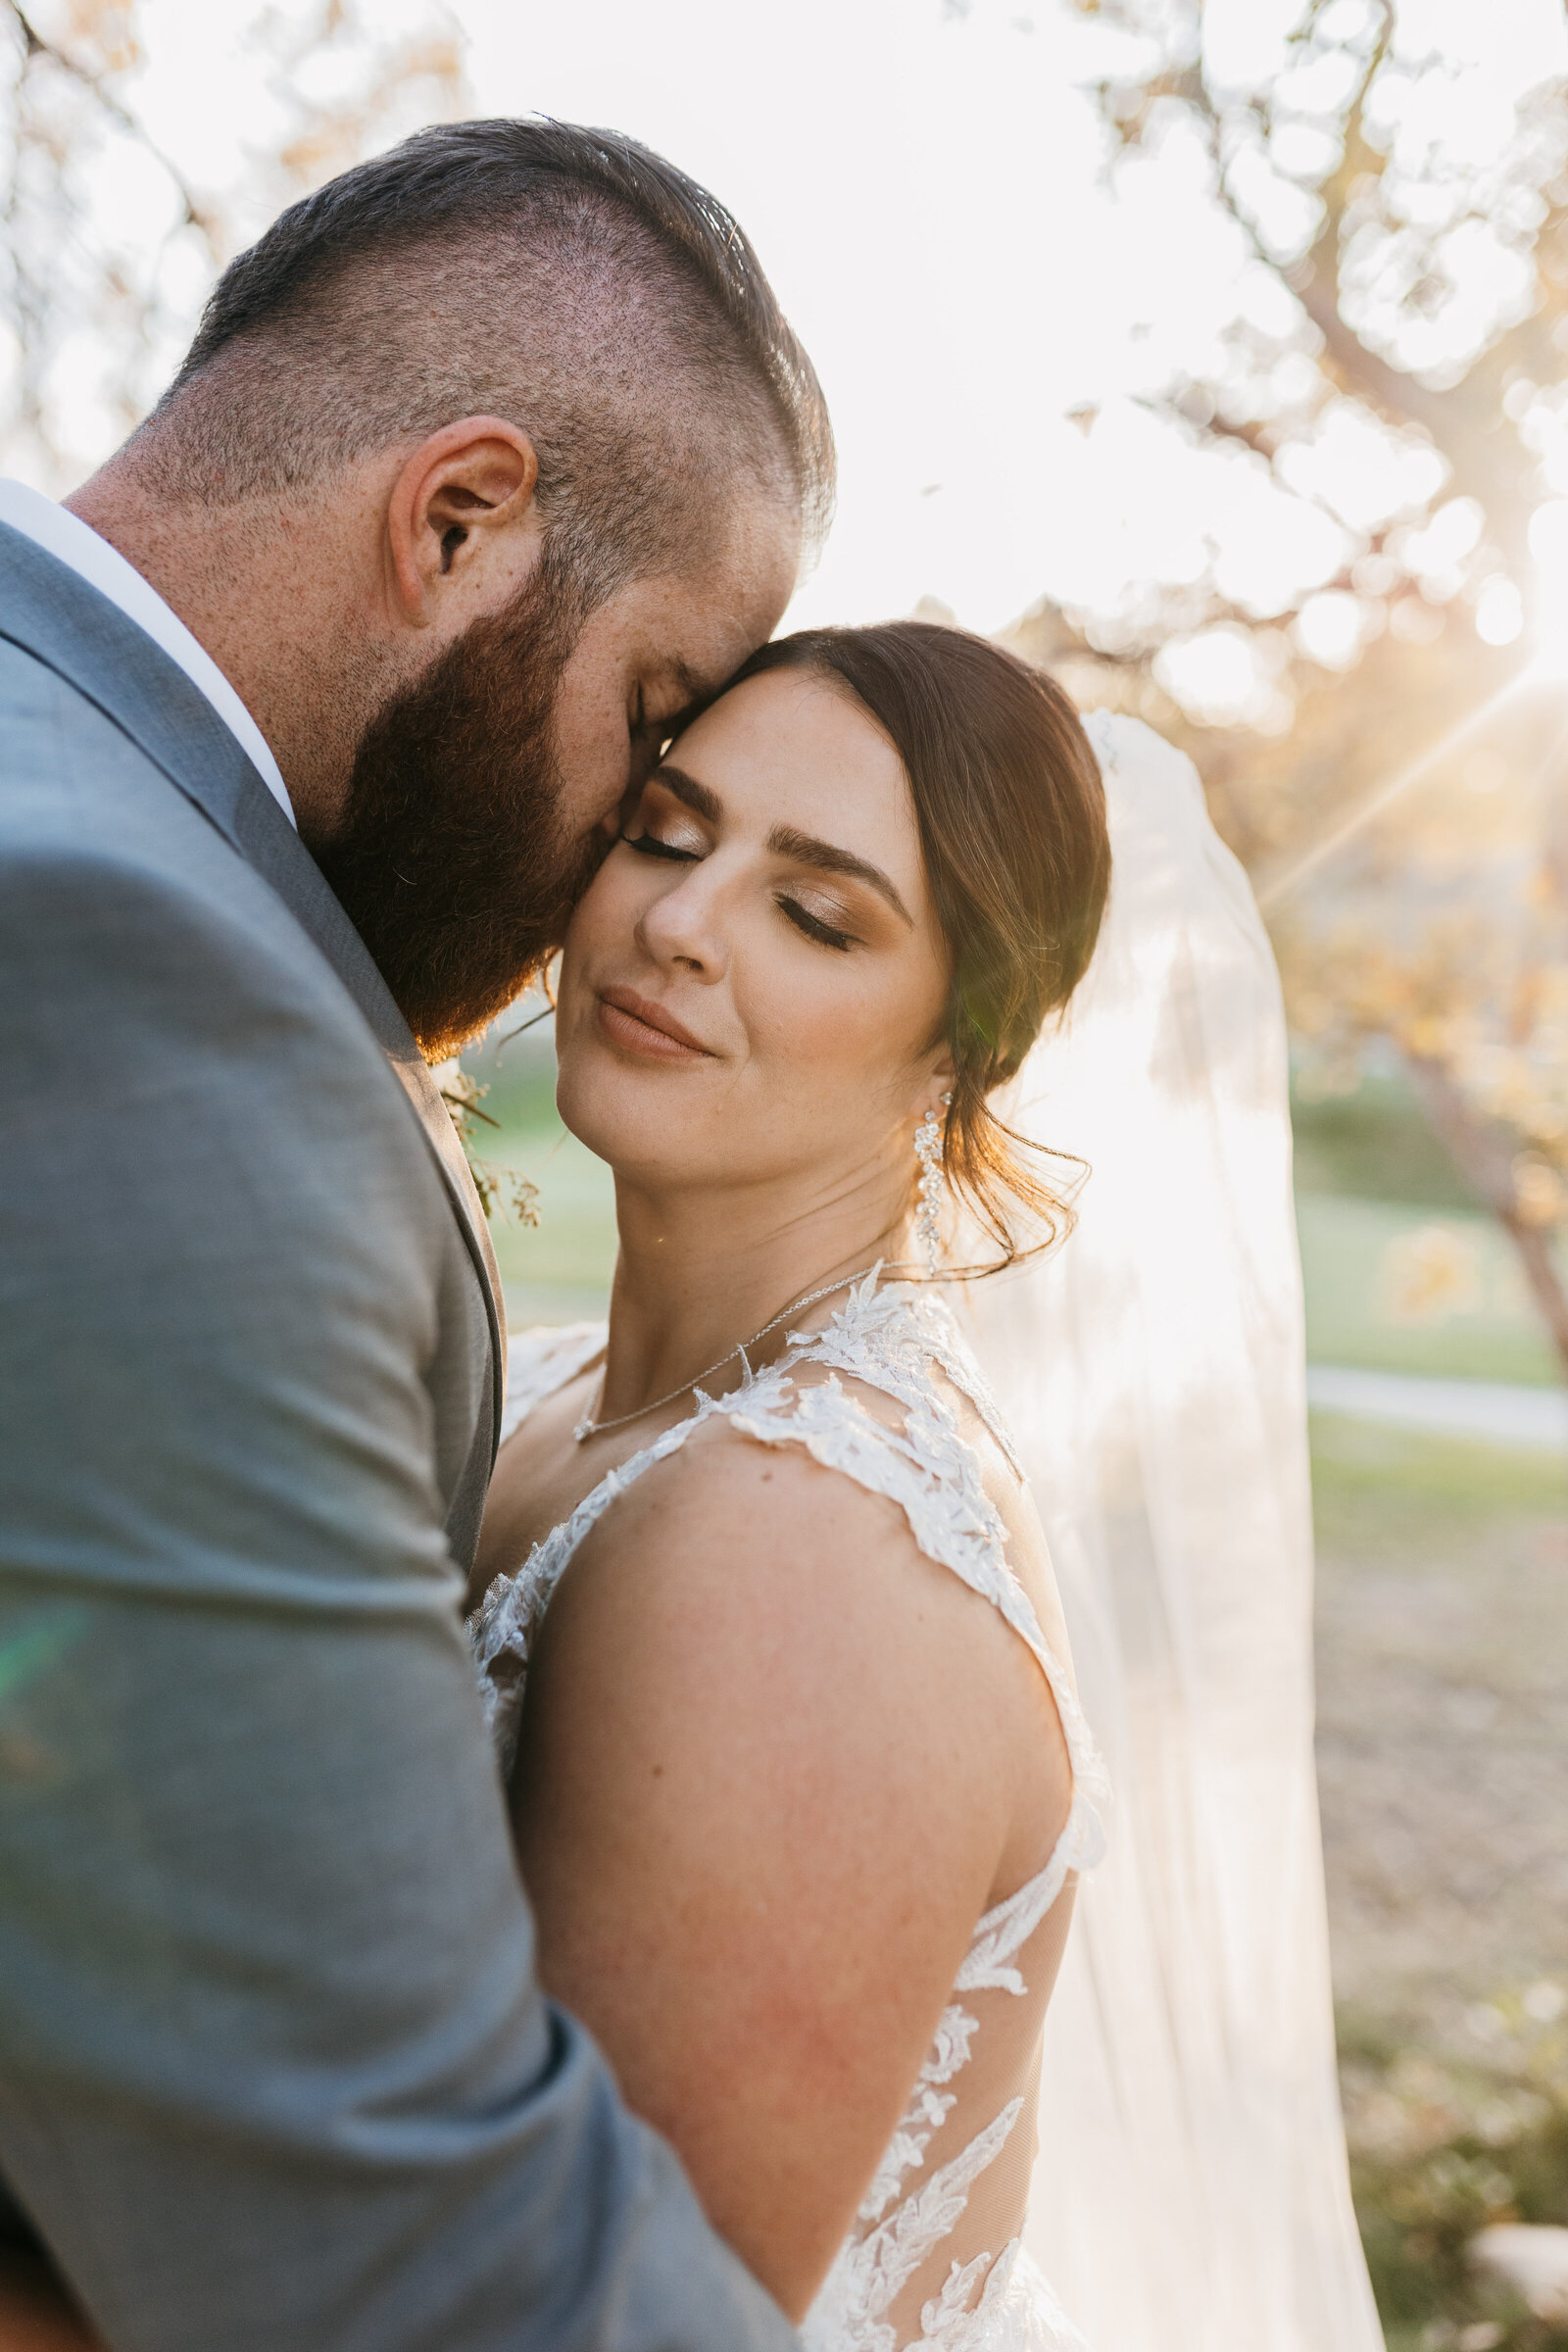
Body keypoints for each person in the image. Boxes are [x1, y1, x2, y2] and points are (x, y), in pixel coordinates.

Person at [0, 118, 829, 2352]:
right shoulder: (130, 975)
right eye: (650, 725)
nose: (613, 891)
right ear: (463, 522)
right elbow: (387, 2251)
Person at [469, 620, 1113, 2351]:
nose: (678, 924)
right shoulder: (547, 1395)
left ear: (955, 1054)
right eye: (667, 836)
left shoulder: (809, 1540)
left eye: (816, 914)